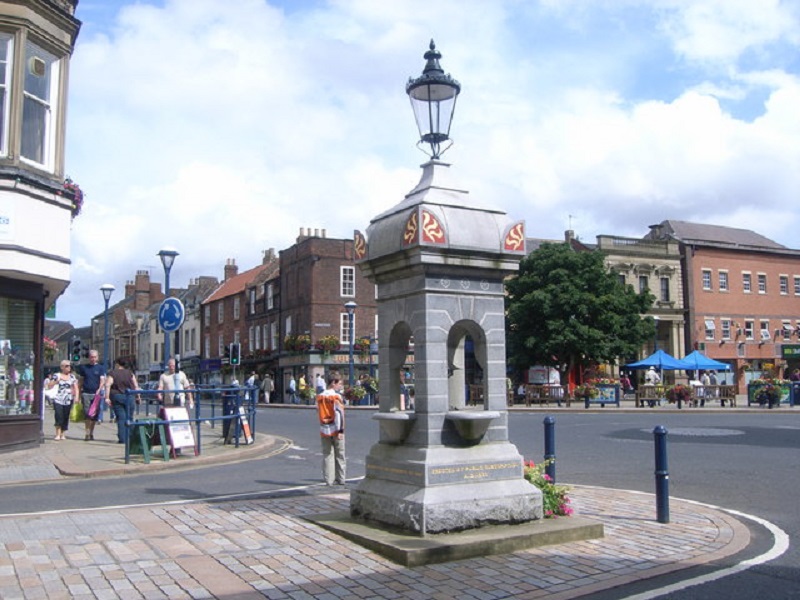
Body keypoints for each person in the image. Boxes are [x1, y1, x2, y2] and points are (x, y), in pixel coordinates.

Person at [316, 370, 346, 486]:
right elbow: (339, 413)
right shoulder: (336, 396)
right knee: (340, 454)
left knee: (327, 454)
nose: (340, 386)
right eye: (339, 384)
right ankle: (341, 478)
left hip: (324, 428)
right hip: (336, 428)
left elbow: (318, 411)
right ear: (333, 382)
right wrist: (340, 430)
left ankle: (329, 480)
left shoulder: (320, 396)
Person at [104, 358, 140, 444]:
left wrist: (107, 397)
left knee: (121, 418)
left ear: (117, 364)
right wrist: (138, 396)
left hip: (117, 396)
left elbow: (108, 384)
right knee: (130, 417)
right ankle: (131, 438)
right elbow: (135, 385)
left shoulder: (112, 373)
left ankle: (123, 439)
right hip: (130, 396)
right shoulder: (130, 373)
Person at [44, 360, 79, 440]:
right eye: (66, 366)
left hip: (68, 399)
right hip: (58, 399)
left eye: (69, 366)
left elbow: (76, 388)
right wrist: (56, 381)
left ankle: (63, 433)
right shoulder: (57, 375)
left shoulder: (72, 377)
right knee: (58, 415)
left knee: (65, 416)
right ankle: (58, 434)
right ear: (62, 367)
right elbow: (49, 386)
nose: (68, 367)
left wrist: (76, 397)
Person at [76, 349, 106, 441]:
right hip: (86, 393)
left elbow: (102, 381)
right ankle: (87, 433)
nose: (93, 359)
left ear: (97, 357)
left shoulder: (100, 368)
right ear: (89, 357)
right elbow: (80, 381)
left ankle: (91, 432)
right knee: (87, 414)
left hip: (96, 394)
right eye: (91, 357)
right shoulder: (84, 368)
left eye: (95, 357)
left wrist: (99, 389)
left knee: (94, 415)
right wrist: (78, 395)